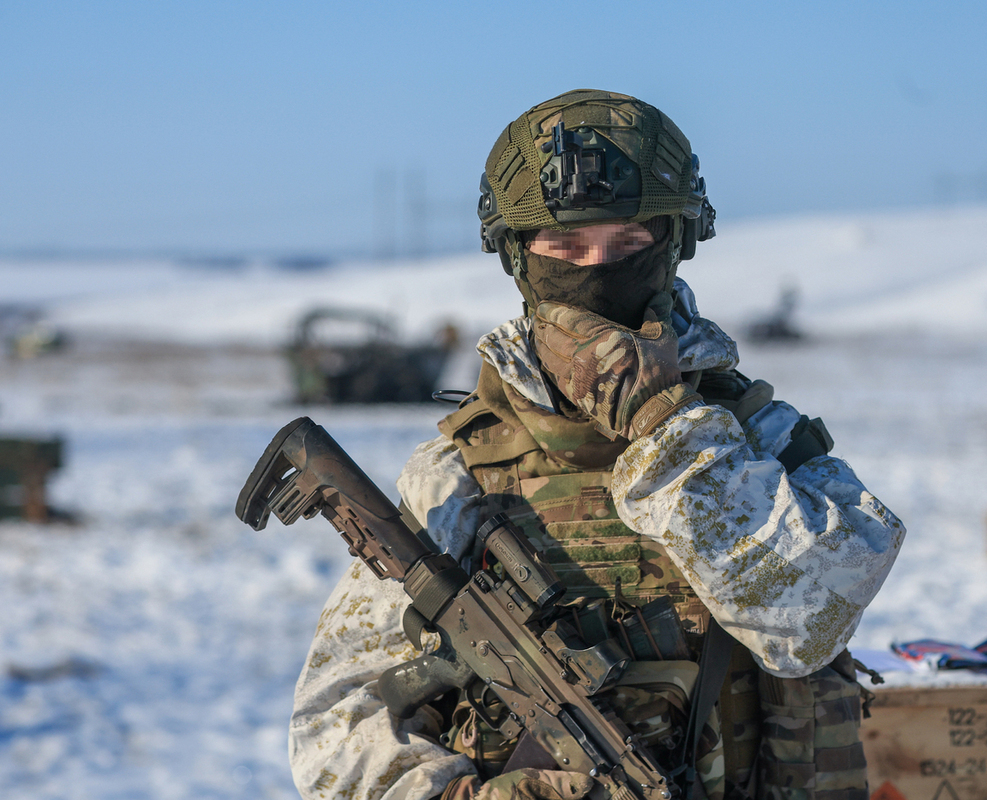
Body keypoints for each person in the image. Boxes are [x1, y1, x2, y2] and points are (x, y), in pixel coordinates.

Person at [289, 89, 905, 800]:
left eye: (629, 243)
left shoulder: (758, 439)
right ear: (518, 257)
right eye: (565, 247)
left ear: (674, 244)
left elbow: (809, 623)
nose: (596, 269)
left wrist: (666, 429)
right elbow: (336, 728)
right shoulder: (459, 477)